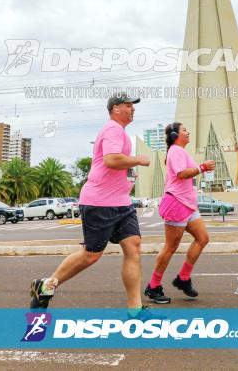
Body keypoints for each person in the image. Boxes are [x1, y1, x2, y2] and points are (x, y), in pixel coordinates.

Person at [29, 92, 153, 317]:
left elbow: (117, 165)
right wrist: (138, 160)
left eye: (133, 106)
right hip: (100, 203)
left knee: (133, 247)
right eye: (128, 105)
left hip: (122, 204)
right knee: (91, 255)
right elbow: (111, 159)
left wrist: (129, 178)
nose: (133, 109)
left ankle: (135, 310)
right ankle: (46, 285)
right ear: (115, 108)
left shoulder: (121, 133)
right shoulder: (112, 129)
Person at [144, 122, 215, 304]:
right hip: (176, 203)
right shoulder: (175, 151)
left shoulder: (181, 151)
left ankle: (183, 278)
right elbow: (182, 174)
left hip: (188, 205)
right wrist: (203, 167)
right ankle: (153, 287)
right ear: (175, 135)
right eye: (185, 130)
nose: (188, 132)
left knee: (203, 238)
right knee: (170, 247)